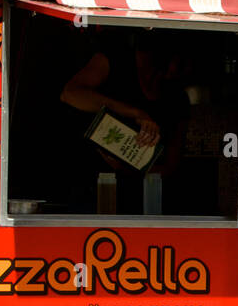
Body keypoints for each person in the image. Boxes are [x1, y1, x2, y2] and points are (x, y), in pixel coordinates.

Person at [58, 28, 191, 213]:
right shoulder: (115, 60)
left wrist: (125, 169)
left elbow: (171, 165)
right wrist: (135, 113)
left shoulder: (176, 96)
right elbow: (70, 94)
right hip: (91, 188)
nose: (182, 71)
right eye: (179, 62)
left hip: (145, 199)